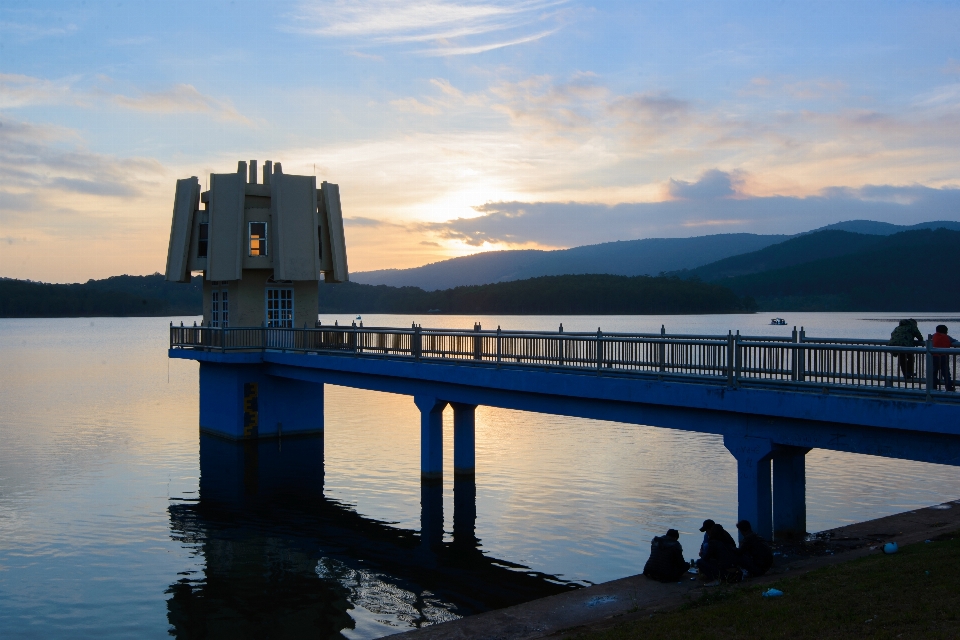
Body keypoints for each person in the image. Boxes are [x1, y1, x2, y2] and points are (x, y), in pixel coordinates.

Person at [932, 325, 958, 392]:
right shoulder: (947, 337)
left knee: (933, 373)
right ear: (946, 331)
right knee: (946, 374)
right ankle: (949, 388)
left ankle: (933, 387)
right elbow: (954, 341)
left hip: (934, 356)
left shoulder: (934, 336)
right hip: (944, 357)